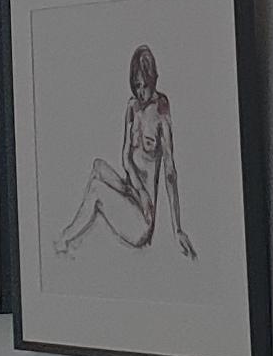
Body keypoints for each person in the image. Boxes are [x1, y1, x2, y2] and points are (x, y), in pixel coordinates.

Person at [53, 43, 195, 260]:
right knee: (98, 166)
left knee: (96, 190)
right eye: (136, 86)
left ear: (154, 80)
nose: (140, 92)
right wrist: (139, 189)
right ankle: (82, 235)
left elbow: (170, 172)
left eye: (145, 86)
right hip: (132, 193)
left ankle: (64, 239)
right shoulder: (132, 107)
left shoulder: (161, 109)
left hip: (142, 218)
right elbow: (125, 157)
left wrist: (177, 229)